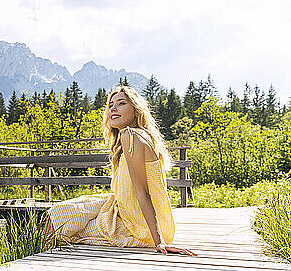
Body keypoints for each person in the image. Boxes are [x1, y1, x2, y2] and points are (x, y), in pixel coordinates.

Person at [44, 85, 196, 256]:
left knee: (57, 222)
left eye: (121, 103)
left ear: (136, 110)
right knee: (62, 212)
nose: (113, 109)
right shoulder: (139, 135)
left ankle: (37, 260)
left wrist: (159, 242)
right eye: (110, 105)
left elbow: (143, 192)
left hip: (136, 226)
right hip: (131, 212)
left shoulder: (131, 137)